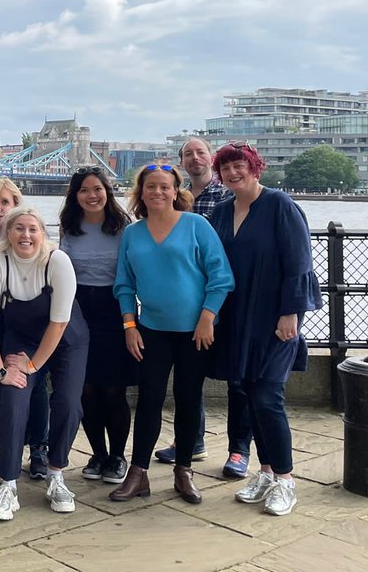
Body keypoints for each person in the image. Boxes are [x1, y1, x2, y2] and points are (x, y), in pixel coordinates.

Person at [109, 164, 234, 505]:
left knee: (188, 398)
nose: (158, 192)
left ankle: (184, 470)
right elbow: (124, 285)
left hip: (196, 332)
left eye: (165, 186)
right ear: (141, 192)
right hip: (151, 330)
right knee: (148, 400)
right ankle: (138, 472)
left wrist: (208, 317)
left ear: (176, 191)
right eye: (151, 186)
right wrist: (130, 326)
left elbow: (221, 276)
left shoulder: (196, 225)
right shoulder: (132, 233)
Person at [210, 142, 322, 517]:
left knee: (267, 398)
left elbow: (299, 262)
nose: (232, 173)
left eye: (239, 165)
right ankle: (267, 472)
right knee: (246, 393)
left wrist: (291, 312)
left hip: (275, 319)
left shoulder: (279, 205)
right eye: (225, 168)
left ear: (255, 167)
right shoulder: (222, 211)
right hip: (236, 318)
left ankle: (286, 481)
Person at [0, 206, 85, 521]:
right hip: (21, 339)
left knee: (68, 402)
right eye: (19, 228)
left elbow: (59, 323)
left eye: (32, 229)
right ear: (8, 233)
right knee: (12, 400)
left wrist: (33, 366)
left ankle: (56, 474)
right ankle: (8, 483)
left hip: (66, 340)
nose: (26, 235)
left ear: (42, 234)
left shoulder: (57, 261)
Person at [156, 137, 253, 480]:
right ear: (181, 162)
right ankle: (192, 441)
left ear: (210, 158)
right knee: (190, 376)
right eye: (188, 154)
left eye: (201, 152)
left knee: (238, 378)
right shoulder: (178, 197)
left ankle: (239, 450)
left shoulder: (228, 194)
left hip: (229, 297)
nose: (195, 158)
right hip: (189, 301)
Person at [59, 166, 135, 486]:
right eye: (84, 190)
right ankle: (98, 454)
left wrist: (130, 322)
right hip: (78, 311)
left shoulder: (124, 227)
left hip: (114, 309)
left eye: (97, 189)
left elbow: (132, 275)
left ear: (107, 191)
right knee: (86, 389)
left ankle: (118, 456)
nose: (92, 196)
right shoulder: (69, 226)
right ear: (75, 196)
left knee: (113, 389)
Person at [0, 177, 51, 480]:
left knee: (36, 384)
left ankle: (39, 447)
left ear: (16, 205)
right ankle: (8, 447)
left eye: (5, 202)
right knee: (3, 383)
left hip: (28, 320)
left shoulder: (29, 234)